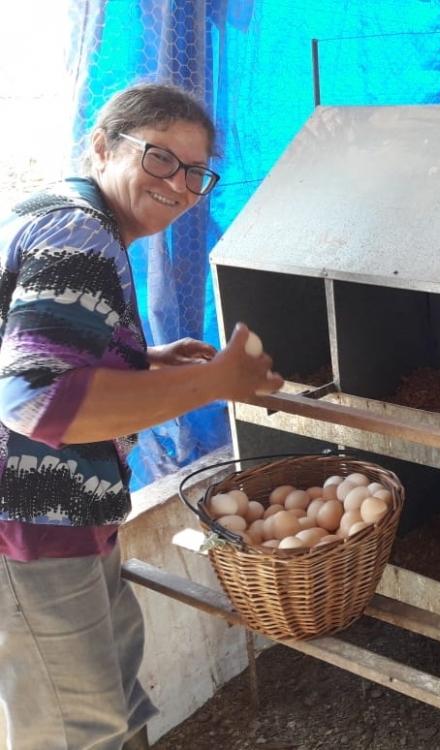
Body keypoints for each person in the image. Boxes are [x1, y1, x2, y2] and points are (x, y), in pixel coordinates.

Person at [0, 82, 282, 750]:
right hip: (30, 525)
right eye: (159, 158)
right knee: (78, 732)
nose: (180, 184)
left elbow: (34, 343)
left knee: (115, 707)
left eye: (195, 171)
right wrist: (216, 381)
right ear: (101, 147)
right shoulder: (81, 231)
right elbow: (32, 401)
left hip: (66, 517)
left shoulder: (61, 213)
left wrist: (142, 359)